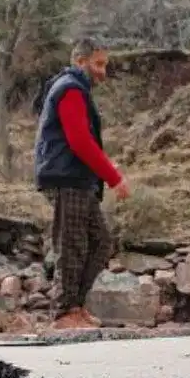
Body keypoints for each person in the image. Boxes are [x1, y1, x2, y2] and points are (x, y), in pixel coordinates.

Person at [33, 38, 131, 330]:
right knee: (72, 244)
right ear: (80, 62)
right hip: (67, 177)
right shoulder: (71, 89)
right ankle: (64, 312)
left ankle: (74, 306)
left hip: (77, 178)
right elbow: (79, 141)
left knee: (99, 243)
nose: (103, 71)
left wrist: (106, 171)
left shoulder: (75, 89)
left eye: (105, 65)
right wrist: (113, 177)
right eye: (98, 64)